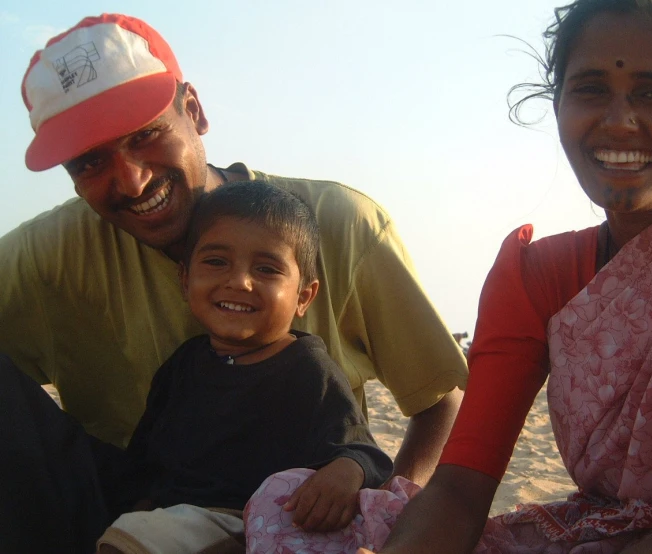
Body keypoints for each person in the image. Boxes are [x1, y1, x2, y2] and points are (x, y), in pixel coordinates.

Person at [0, 12, 467, 552]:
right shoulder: (46, 254)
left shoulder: (335, 224)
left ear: (193, 110)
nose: (131, 180)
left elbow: (441, 398)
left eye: (146, 135)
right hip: (134, 507)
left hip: (284, 521)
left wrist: (385, 522)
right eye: (90, 162)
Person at [363, 0, 652, 552]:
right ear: (558, 104)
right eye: (590, 89)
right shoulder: (537, 279)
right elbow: (461, 487)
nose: (618, 120)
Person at [94, 180, 393, 553]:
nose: (238, 281)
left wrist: (346, 473)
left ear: (303, 296)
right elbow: (145, 459)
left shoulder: (306, 367)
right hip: (175, 518)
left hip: (258, 524)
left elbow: (364, 452)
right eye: (216, 261)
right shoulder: (183, 364)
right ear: (185, 279)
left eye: (267, 269)